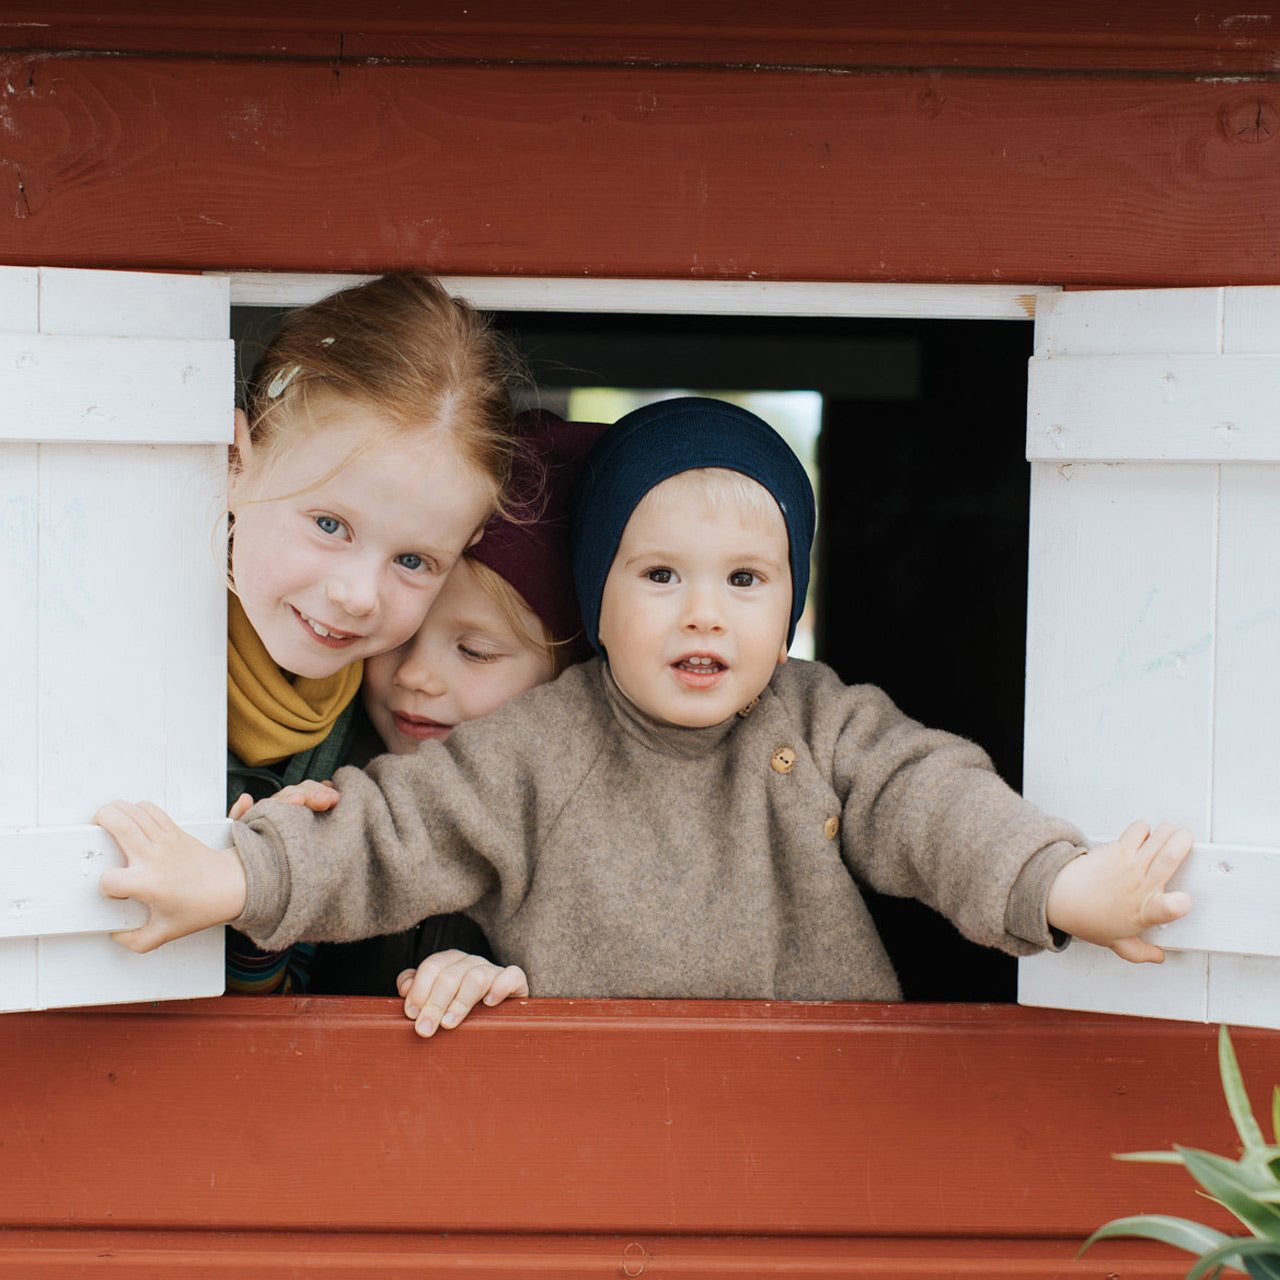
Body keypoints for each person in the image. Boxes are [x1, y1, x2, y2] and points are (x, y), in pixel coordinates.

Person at [96, 397, 1195, 1029]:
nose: (702, 614)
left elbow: (933, 803)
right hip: (599, 1125)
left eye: (746, 581)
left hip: (826, 1120)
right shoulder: (537, 745)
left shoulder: (825, 725)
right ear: (598, 603)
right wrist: (232, 875)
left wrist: (1054, 882)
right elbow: (389, 832)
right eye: (660, 575)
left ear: (791, 602)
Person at [220, 271, 519, 993]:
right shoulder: (105, 653)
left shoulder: (373, 749)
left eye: (414, 560)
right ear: (235, 460)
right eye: (329, 524)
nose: (357, 596)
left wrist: (255, 913)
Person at [302, 411, 607, 1035]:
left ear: (567, 675)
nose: (417, 676)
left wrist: (497, 975)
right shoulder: (324, 779)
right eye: (399, 637)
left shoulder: (586, 831)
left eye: (475, 652)